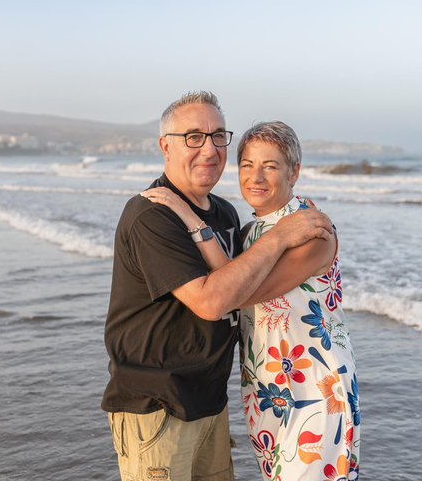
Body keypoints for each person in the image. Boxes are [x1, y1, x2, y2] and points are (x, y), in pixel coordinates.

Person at [102, 92, 334, 481]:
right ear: (166, 146)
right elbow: (212, 301)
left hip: (213, 401)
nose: (208, 149)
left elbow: (237, 277)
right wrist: (278, 238)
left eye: (217, 136)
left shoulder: (225, 212)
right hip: (158, 405)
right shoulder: (151, 215)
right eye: (193, 136)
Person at [142, 121, 360, 480]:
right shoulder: (251, 231)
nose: (255, 177)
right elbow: (231, 276)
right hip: (268, 387)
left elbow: (236, 292)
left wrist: (187, 217)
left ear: (295, 172)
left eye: (270, 166)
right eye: (247, 165)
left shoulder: (313, 230)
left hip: (317, 389)